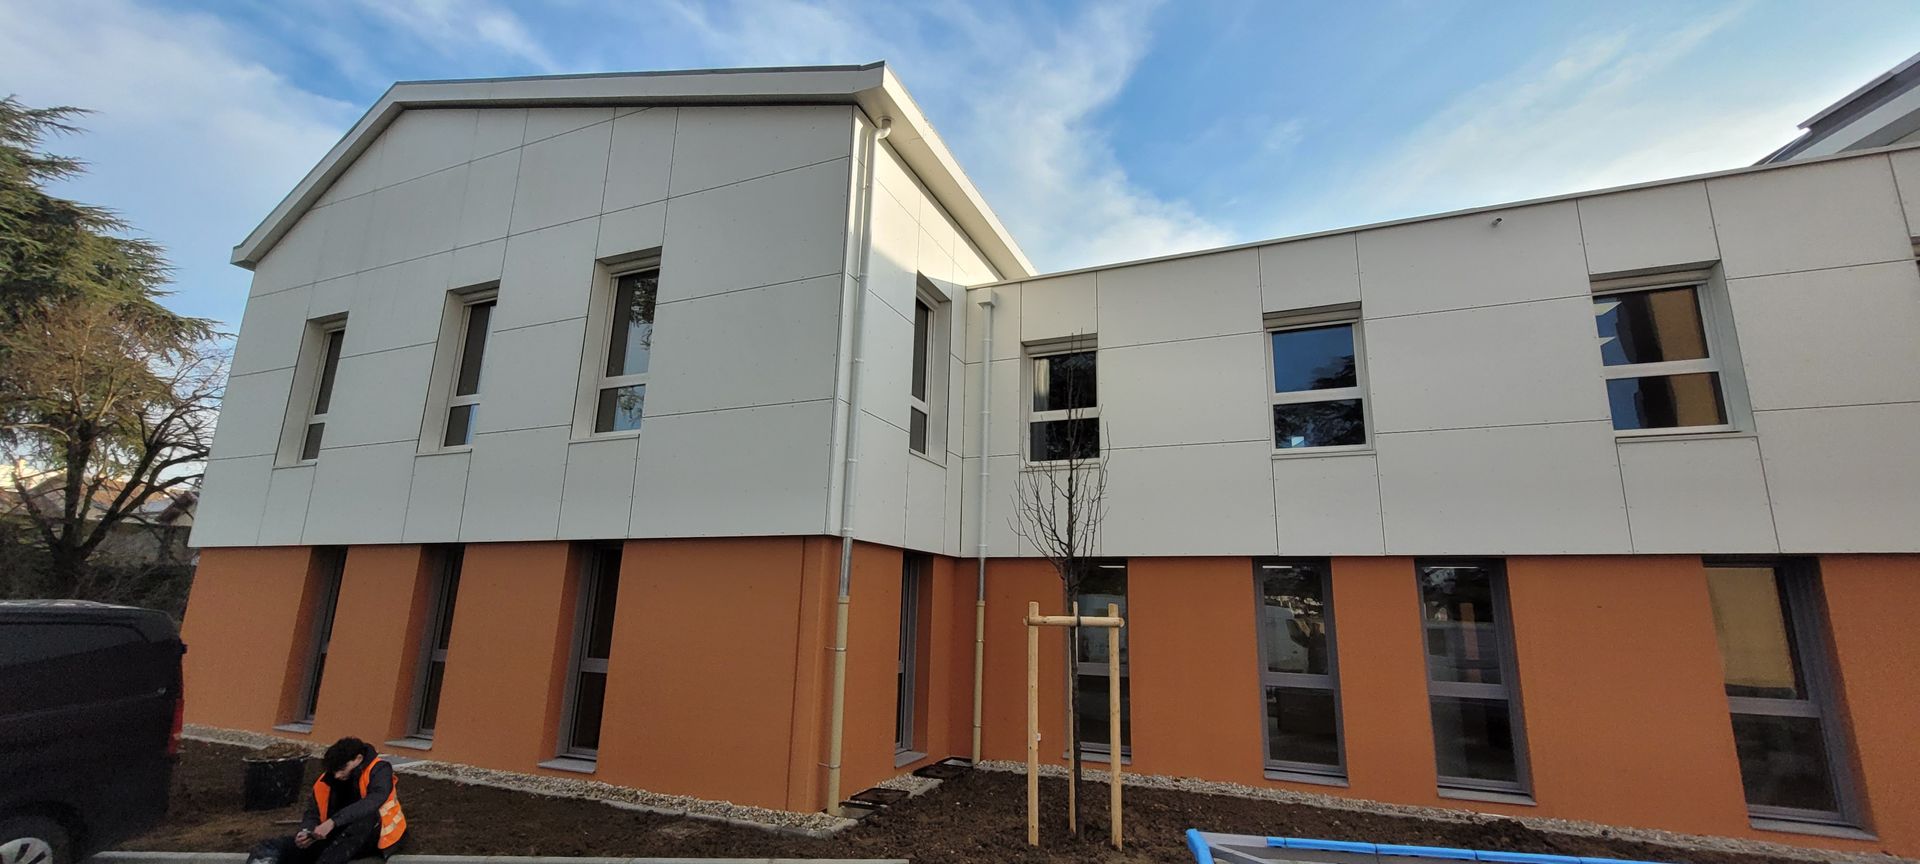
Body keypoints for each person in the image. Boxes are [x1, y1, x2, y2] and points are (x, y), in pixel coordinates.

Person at [247, 737, 408, 864]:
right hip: (333, 836)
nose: (337, 775)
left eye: (341, 769)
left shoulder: (379, 769)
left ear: (358, 759)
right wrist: (306, 831)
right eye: (334, 771)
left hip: (376, 837)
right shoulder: (326, 781)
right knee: (271, 847)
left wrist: (332, 822)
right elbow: (313, 812)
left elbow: (372, 802)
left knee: (364, 819)